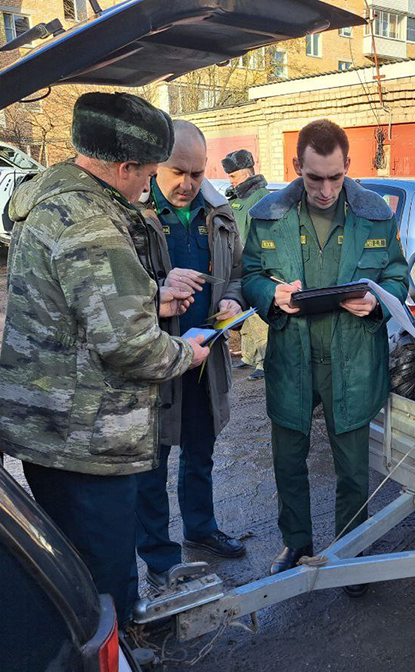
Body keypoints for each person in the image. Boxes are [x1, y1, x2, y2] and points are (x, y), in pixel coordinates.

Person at [0, 92, 210, 625]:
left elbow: (72, 307)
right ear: (125, 165)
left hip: (52, 426)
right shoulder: (91, 222)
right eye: (149, 172)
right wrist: (187, 351)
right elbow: (130, 346)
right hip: (84, 437)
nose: (148, 186)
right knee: (104, 579)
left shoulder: (51, 200)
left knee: (76, 563)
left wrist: (147, 298)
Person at [241, 119, 409, 595]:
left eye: (335, 177)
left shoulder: (376, 215)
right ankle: (297, 543)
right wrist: (270, 294)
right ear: (297, 167)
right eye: (314, 177)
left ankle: (349, 551)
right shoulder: (268, 215)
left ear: (348, 167)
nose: (325, 189)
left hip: (353, 361)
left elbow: (398, 278)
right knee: (288, 461)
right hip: (292, 358)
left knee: (353, 468)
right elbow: (249, 274)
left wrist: (377, 300)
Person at [133, 120, 246, 592]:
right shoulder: (130, 214)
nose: (188, 184)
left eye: (198, 173)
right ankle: (160, 557)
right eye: (178, 171)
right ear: (156, 164)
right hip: (155, 360)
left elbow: (239, 270)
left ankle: (201, 529)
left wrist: (234, 299)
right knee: (151, 461)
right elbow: (112, 291)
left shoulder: (218, 213)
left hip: (206, 356)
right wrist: (156, 293)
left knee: (200, 451)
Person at [223, 149, 270, 381]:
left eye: (233, 176)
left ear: (244, 174)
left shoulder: (261, 197)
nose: (230, 181)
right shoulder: (237, 198)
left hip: (256, 265)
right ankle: (250, 356)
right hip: (240, 263)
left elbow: (264, 236)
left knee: (259, 317)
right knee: (247, 314)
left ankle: (264, 362)